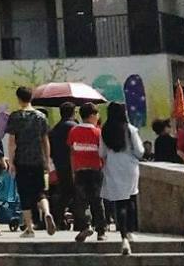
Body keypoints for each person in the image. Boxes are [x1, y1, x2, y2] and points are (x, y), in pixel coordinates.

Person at [5, 85, 52, 236]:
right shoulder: (41, 117)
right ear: (31, 98)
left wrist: (11, 162)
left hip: (22, 160)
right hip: (38, 159)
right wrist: (46, 159)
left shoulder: (15, 116)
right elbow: (45, 141)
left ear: (19, 99)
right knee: (40, 192)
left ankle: (29, 228)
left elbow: (12, 142)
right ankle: (46, 212)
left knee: (24, 193)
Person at [100, 101, 142, 255]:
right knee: (131, 198)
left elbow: (101, 153)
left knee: (119, 203)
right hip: (130, 166)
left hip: (113, 166)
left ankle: (123, 237)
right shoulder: (130, 129)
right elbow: (139, 150)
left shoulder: (105, 130)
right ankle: (130, 231)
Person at [68, 102, 107, 243]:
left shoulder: (73, 131)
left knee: (81, 201)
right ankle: (101, 231)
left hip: (80, 170)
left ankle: (86, 225)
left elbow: (72, 153)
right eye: (97, 115)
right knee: (97, 201)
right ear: (92, 116)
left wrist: (73, 170)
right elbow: (103, 154)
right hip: (96, 171)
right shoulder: (98, 132)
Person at [47, 101, 78, 233]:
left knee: (64, 193)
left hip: (60, 164)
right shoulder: (75, 127)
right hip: (74, 165)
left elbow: (51, 149)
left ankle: (57, 219)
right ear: (73, 112)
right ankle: (79, 222)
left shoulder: (55, 129)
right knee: (77, 194)